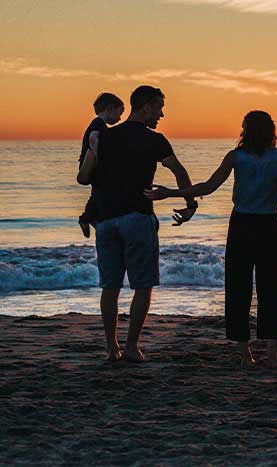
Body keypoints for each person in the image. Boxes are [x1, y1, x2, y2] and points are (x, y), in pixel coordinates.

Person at [145, 110, 277, 368]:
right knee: (271, 289)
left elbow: (209, 187)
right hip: (267, 225)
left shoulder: (237, 156)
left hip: (242, 225)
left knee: (239, 287)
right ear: (271, 131)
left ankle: (245, 353)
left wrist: (172, 193)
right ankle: (271, 354)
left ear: (246, 130)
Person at [76, 85, 198, 362]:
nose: (162, 114)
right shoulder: (154, 140)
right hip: (137, 217)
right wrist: (190, 205)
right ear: (145, 108)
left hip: (105, 220)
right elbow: (179, 171)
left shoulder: (103, 136)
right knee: (142, 285)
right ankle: (131, 347)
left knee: (110, 287)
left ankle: (111, 348)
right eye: (158, 108)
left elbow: (85, 177)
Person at [78, 92, 125, 238]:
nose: (119, 118)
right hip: (92, 165)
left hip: (91, 164)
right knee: (99, 192)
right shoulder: (98, 124)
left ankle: (90, 217)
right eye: (119, 113)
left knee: (97, 192)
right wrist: (99, 158)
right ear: (110, 108)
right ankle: (86, 218)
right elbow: (94, 139)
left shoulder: (98, 124)